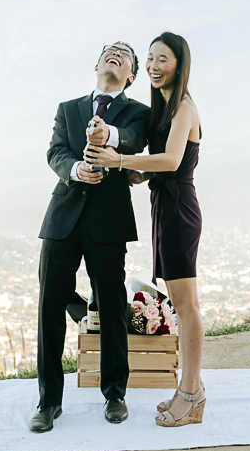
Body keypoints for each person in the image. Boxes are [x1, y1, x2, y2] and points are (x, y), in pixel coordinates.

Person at [85, 32, 205, 427]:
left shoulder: (184, 106)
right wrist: (132, 172)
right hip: (164, 207)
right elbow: (156, 164)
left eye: (163, 59)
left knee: (186, 307)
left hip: (178, 209)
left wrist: (119, 161)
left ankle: (192, 394)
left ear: (180, 64)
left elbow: (170, 161)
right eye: (150, 58)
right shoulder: (166, 107)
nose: (154, 66)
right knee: (180, 302)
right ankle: (187, 389)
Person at [30, 42, 150, 432]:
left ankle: (115, 393)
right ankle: (49, 402)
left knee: (113, 307)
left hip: (109, 220)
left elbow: (133, 138)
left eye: (125, 54)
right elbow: (55, 153)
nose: (116, 54)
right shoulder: (68, 108)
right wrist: (76, 170)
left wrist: (109, 134)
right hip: (63, 216)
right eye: (109, 51)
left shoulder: (139, 113)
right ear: (96, 65)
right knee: (50, 304)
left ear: (131, 75)